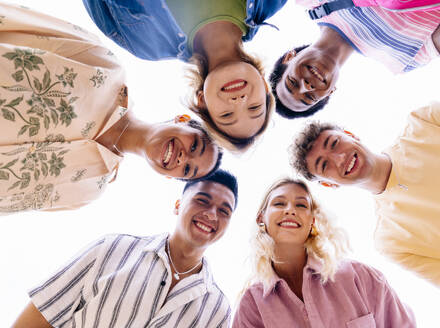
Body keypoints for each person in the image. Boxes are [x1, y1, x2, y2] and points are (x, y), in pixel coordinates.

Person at [0, 3, 222, 215]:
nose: (184, 158)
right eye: (194, 145)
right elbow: (18, 21)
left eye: (186, 170)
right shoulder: (104, 68)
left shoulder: (87, 190)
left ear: (169, 177)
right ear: (182, 119)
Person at [289, 102, 440, 311]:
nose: (340, 158)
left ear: (351, 134)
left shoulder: (426, 121)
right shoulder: (392, 242)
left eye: (335, 143)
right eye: (324, 165)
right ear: (328, 184)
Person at [12, 169, 238, 327]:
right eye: (202, 200)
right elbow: (37, 319)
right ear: (178, 205)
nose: (211, 214)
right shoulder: (111, 249)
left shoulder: (217, 310)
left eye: (224, 211)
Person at [82, 0, 288, 152]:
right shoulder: (270, 3)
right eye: (254, 107)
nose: (239, 101)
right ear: (264, 85)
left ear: (202, 102)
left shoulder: (144, 44)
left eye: (226, 115)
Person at [233, 178, 415, 327]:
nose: (290, 210)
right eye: (279, 203)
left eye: (302, 205)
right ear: (261, 218)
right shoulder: (252, 305)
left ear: (312, 221)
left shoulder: (360, 277)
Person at [271, 0, 440, 118]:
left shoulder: (311, 1)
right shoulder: (404, 57)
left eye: (292, 83)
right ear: (330, 93)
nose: (306, 85)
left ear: (289, 58)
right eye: (309, 98)